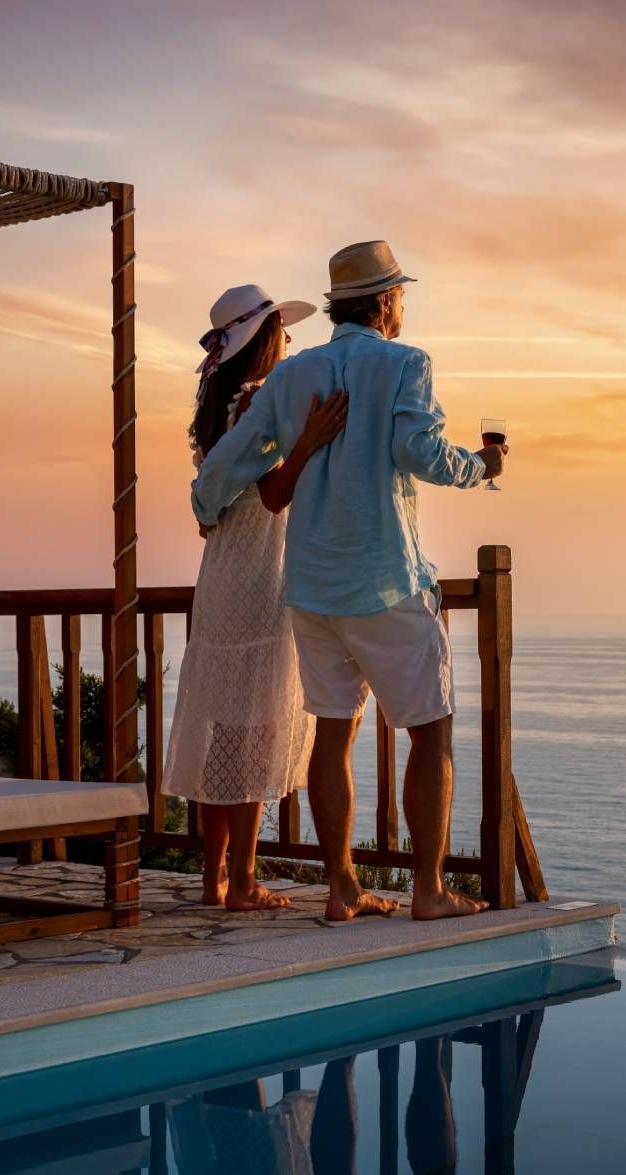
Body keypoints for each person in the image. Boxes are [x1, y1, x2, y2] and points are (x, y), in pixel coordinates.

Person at [192, 242, 507, 922]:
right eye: (401, 295)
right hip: (385, 577)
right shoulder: (405, 365)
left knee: (332, 735)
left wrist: (204, 507)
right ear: (387, 301)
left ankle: (341, 888)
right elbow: (416, 452)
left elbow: (229, 460)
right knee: (430, 731)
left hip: (310, 587)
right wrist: (482, 466)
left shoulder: (292, 376)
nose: (403, 307)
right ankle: (428, 890)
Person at [164, 284, 348, 911]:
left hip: (220, 573)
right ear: (265, 339)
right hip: (260, 573)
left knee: (220, 727)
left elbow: (213, 503)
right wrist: (309, 443)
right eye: (283, 332)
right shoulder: (257, 404)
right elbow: (272, 496)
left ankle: (215, 877)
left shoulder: (217, 404)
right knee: (253, 729)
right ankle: (243, 880)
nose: (290, 342)